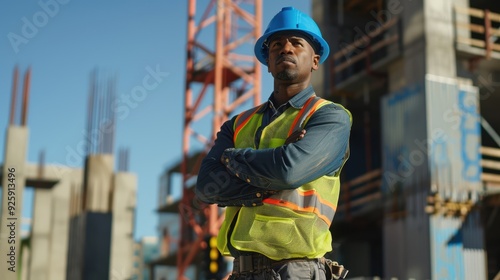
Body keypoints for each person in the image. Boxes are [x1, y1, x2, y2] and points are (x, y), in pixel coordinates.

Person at [196, 6, 351, 280]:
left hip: (297, 270)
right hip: (241, 272)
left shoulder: (329, 116)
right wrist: (274, 162)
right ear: (267, 61)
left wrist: (231, 160)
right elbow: (207, 186)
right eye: (277, 44)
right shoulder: (238, 123)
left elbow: (288, 171)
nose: (286, 49)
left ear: (315, 60)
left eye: (296, 43)